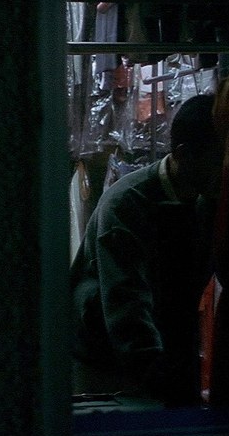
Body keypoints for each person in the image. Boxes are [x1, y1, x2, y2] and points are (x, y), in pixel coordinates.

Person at [71, 94, 221, 408]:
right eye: (219, 160)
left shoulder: (207, 199)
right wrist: (165, 381)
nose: (227, 170)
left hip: (160, 353)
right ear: (183, 154)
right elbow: (126, 303)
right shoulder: (126, 204)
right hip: (106, 360)